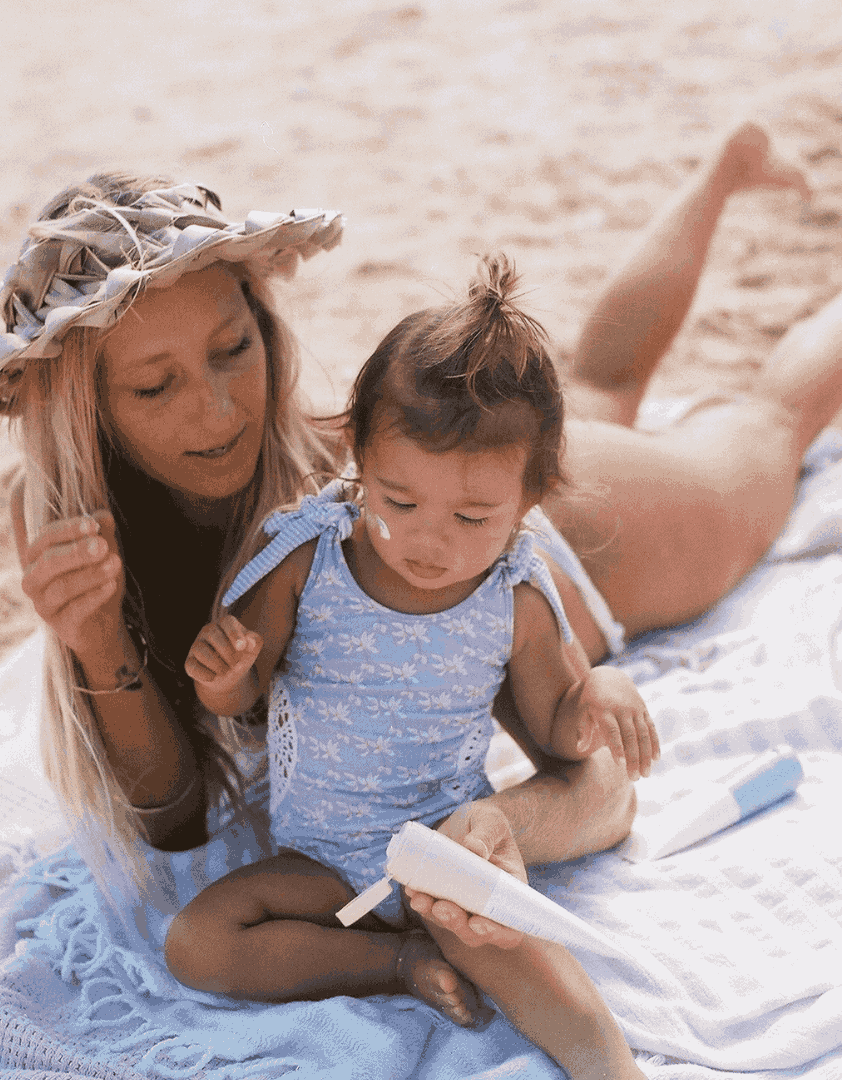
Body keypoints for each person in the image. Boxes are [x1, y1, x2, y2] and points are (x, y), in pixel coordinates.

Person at [0, 121, 839, 985]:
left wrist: (496, 825)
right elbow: (173, 820)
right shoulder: (62, 515)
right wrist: (96, 640)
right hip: (473, 497)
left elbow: (592, 778)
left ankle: (725, 170)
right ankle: (730, 165)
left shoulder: (329, 472)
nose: (219, 412)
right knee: (599, 386)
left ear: (264, 320)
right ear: (84, 405)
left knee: (767, 427)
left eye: (233, 349)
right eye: (154, 385)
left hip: (580, 547)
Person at [165, 253, 658, 1079]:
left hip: (448, 856)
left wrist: (599, 692)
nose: (432, 541)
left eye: (473, 515)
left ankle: (616, 1068)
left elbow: (561, 736)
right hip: (322, 864)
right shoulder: (306, 555)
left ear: (531, 500)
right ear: (356, 454)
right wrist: (221, 673)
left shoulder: (515, 592)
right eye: (399, 501)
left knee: (542, 983)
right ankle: (392, 966)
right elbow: (244, 692)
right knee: (198, 943)